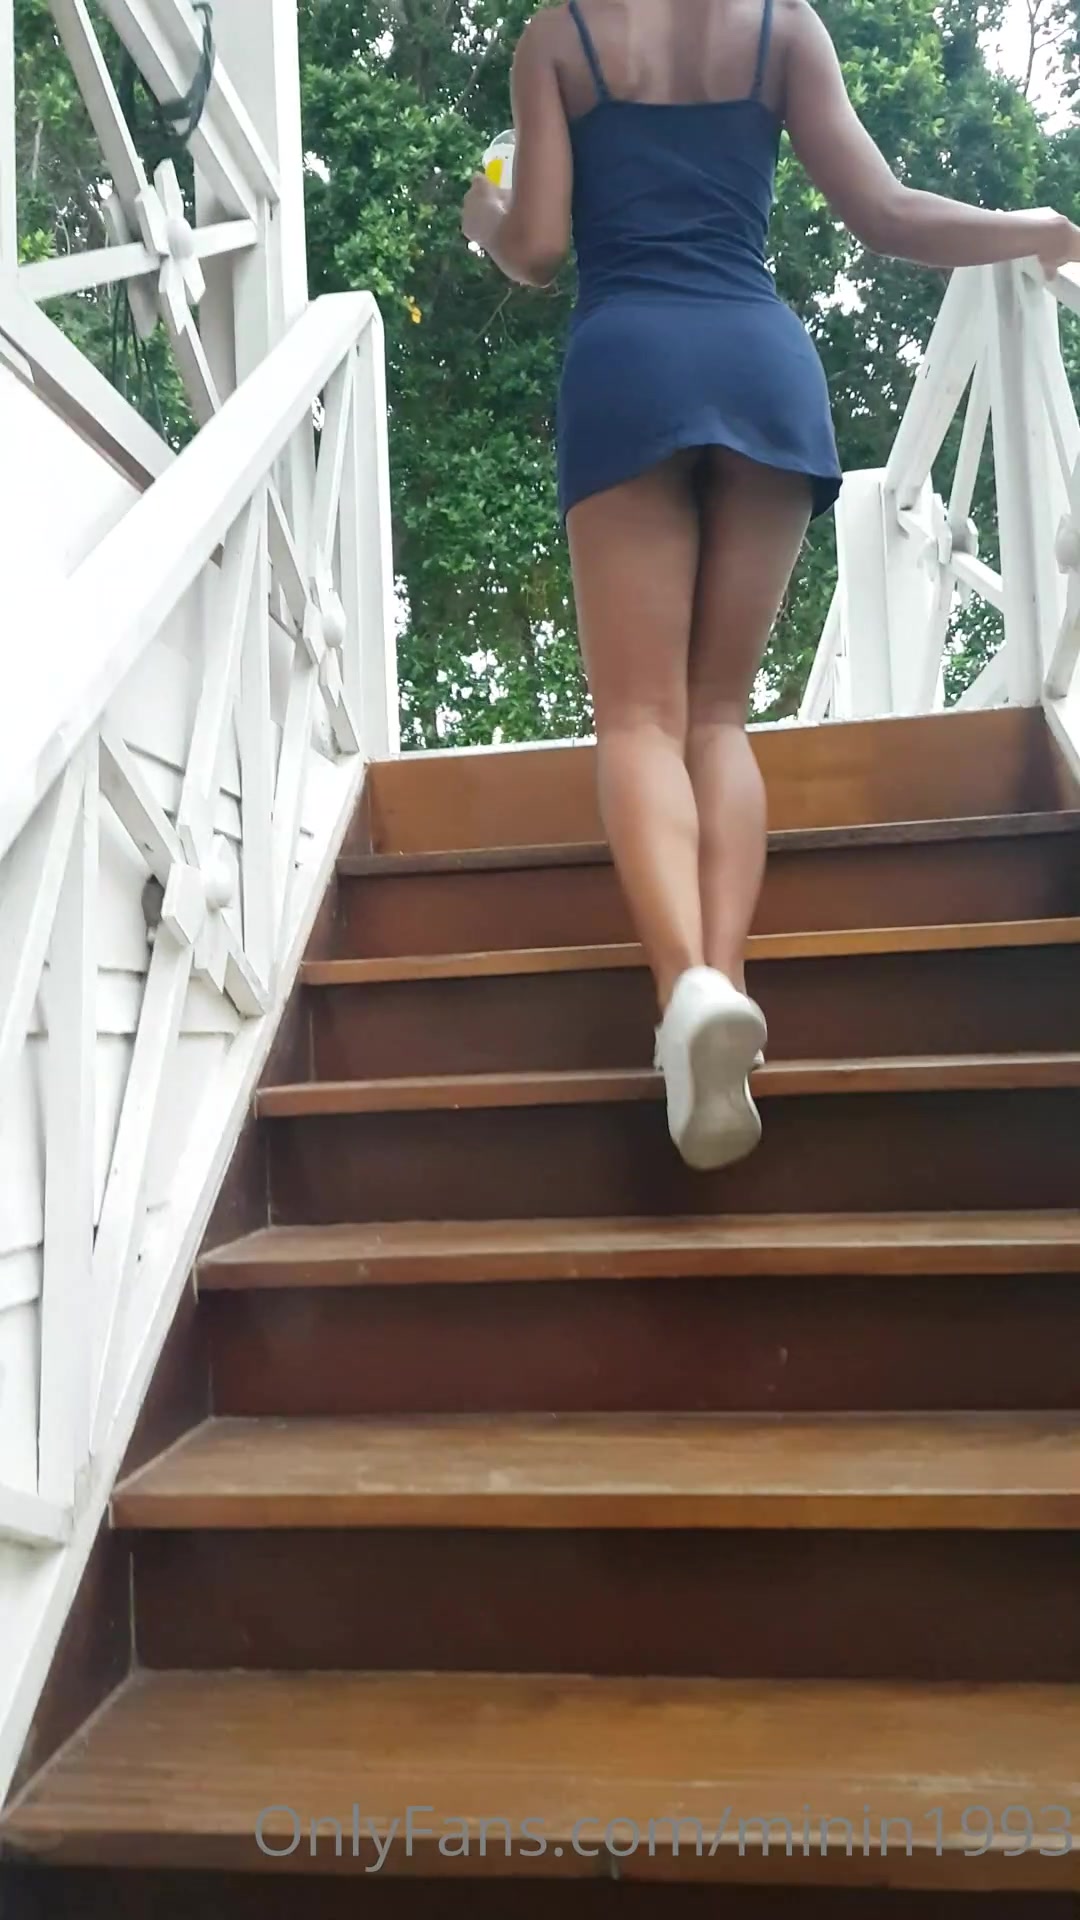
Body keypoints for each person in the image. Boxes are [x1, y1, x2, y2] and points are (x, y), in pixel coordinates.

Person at [461, 0, 1080, 1172]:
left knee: (640, 720)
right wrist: (1038, 224)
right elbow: (886, 213)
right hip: (760, 364)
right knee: (716, 716)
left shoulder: (560, 36)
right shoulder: (781, 29)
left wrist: (481, 211)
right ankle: (723, 995)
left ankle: (687, 988)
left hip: (629, 360)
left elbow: (535, 249)